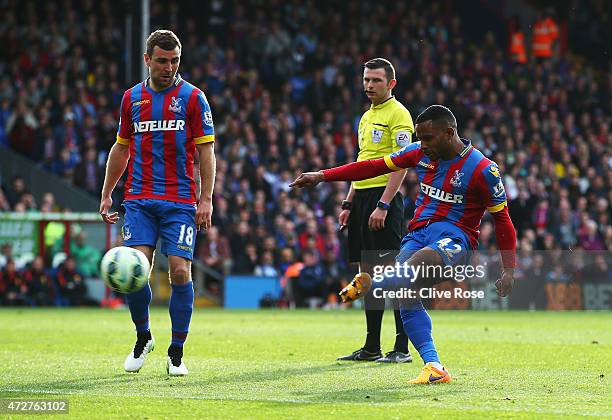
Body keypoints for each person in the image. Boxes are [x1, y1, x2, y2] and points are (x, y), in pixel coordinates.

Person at [290, 105, 517, 384]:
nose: (423, 144)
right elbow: (372, 166)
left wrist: (509, 269)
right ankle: (434, 366)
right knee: (406, 293)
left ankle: (371, 283)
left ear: (449, 133)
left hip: (456, 240)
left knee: (414, 266)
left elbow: (503, 220)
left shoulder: (483, 170)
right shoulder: (419, 152)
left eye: (428, 138)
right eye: (419, 138)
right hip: (418, 233)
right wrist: (323, 175)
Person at [99, 29, 216, 376]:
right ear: (147, 60)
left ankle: (176, 351)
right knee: (135, 273)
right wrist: (107, 193)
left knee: (181, 271)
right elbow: (121, 147)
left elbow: (207, 152)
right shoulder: (131, 98)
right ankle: (143, 336)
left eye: (175, 60)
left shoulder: (194, 98)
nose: (169, 67)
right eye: (162, 60)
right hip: (138, 199)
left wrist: (206, 198)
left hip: (180, 201)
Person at [336, 58, 414, 364]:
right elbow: (363, 160)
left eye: (376, 81)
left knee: (393, 275)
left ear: (391, 83)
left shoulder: (400, 115)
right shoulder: (366, 116)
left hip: (385, 200)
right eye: (366, 80)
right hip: (363, 199)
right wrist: (348, 202)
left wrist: (383, 203)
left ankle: (402, 348)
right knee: (365, 275)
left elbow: (403, 162)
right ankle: (371, 347)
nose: (369, 85)